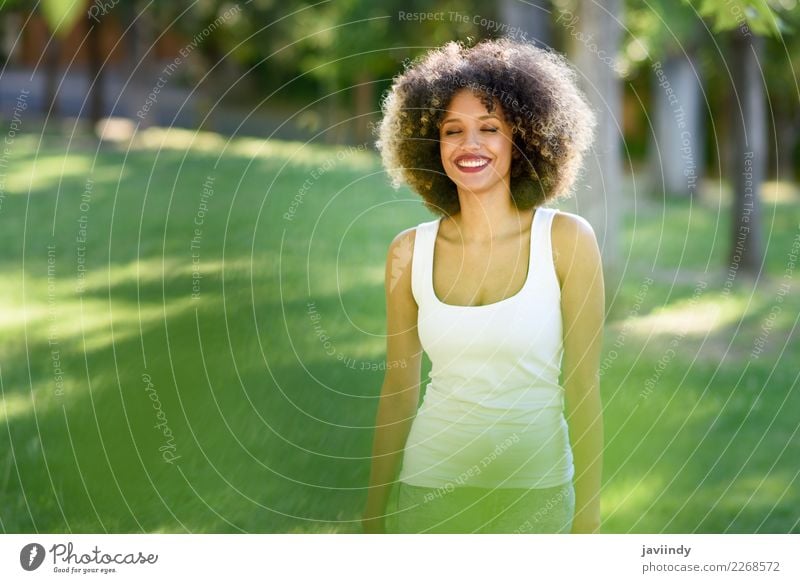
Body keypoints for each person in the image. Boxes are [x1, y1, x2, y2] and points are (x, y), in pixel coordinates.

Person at [361, 38, 604, 534]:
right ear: (432, 145)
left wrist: (589, 513)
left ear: (526, 138)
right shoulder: (408, 252)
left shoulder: (567, 241)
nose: (469, 144)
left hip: (535, 495)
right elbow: (399, 390)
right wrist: (373, 512)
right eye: (453, 131)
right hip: (429, 493)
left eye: (489, 128)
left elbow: (583, 386)